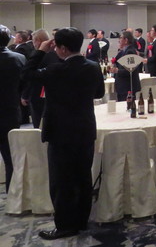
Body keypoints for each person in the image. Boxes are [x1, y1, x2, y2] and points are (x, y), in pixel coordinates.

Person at [21, 27, 104, 240]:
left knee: (61, 181)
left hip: (61, 132)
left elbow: (27, 74)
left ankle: (66, 225)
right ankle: (81, 220)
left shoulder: (55, 70)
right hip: (85, 129)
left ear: (63, 49)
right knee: (83, 176)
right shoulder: (93, 66)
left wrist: (40, 51)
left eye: (57, 46)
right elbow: (99, 93)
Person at [0, 25, 26, 192]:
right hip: (10, 110)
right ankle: (12, 194)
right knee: (11, 157)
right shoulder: (19, 58)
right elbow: (24, 84)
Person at [112, 31, 142, 102]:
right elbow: (116, 61)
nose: (119, 40)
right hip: (123, 85)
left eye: (121, 38)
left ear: (126, 40)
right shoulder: (123, 51)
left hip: (127, 86)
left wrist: (117, 70)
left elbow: (130, 70)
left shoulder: (130, 51)